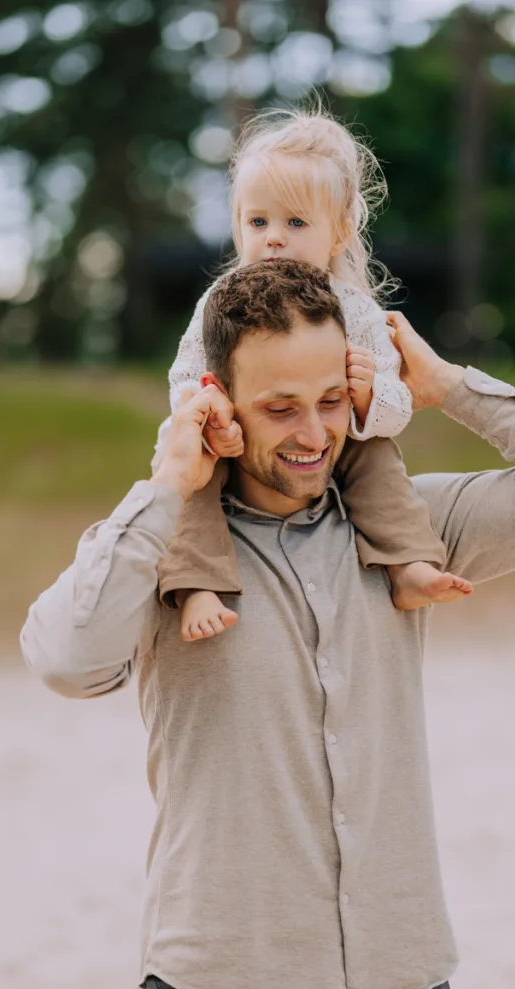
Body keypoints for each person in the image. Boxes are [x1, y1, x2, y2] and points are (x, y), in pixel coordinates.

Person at [21, 259, 515, 989]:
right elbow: (65, 663)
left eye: (328, 400)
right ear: (217, 399)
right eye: (280, 408)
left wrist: (447, 386)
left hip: (404, 988)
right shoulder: (161, 549)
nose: (314, 434)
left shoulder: (410, 528)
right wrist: (165, 488)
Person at [155, 106, 471, 644]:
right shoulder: (220, 302)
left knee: (378, 462)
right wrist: (211, 417)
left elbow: (396, 406)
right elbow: (186, 373)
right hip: (239, 441)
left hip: (331, 443)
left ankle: (407, 564)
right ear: (238, 226)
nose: (274, 238)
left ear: (339, 232)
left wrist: (371, 394)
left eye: (296, 223)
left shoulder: (357, 311)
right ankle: (195, 585)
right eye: (258, 222)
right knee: (186, 472)